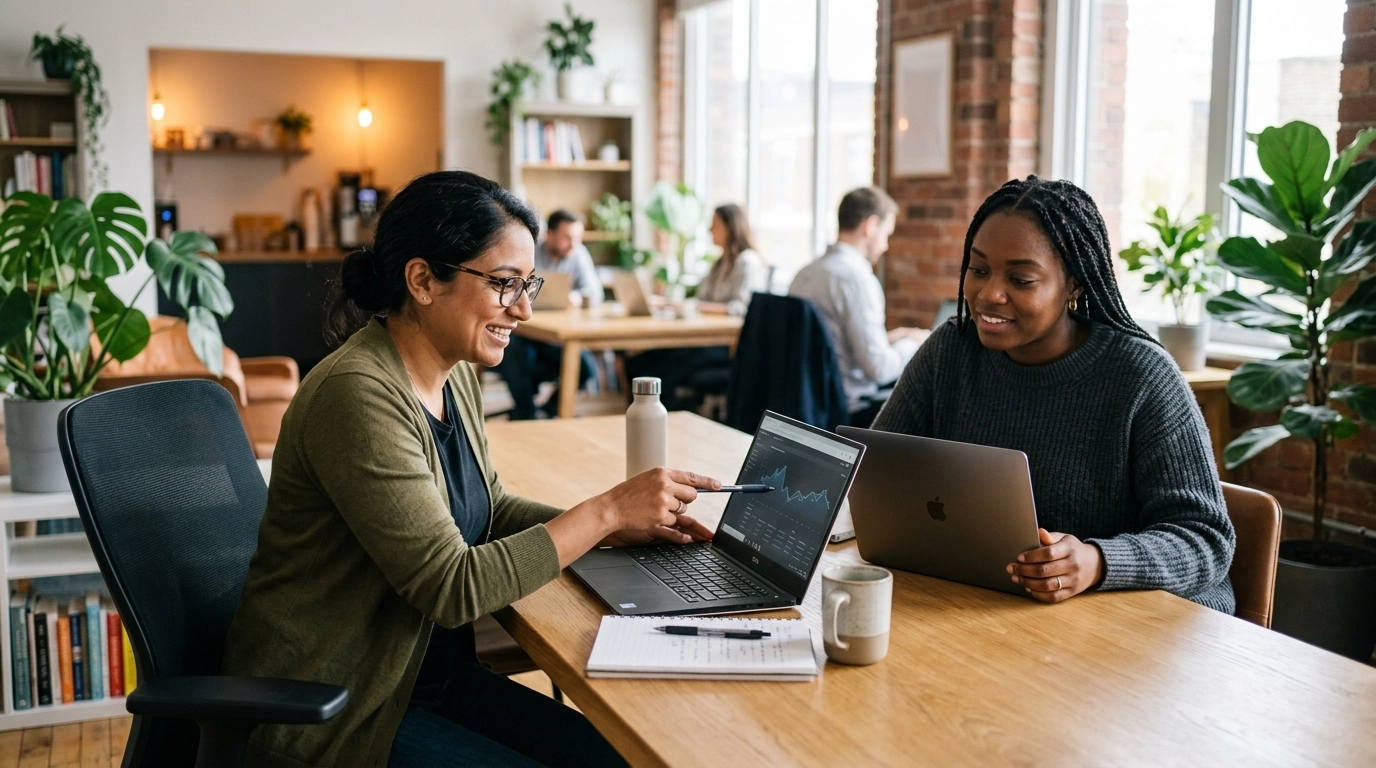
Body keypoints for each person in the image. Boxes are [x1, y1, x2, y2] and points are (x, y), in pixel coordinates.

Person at [221, 171, 722, 768]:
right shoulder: (357, 395)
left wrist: (611, 531)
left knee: (617, 758)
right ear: (423, 280)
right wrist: (604, 512)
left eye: (528, 283)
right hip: (342, 708)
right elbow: (453, 588)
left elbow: (487, 510)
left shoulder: (452, 372)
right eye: (506, 284)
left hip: (421, 679)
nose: (526, 309)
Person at [871, 176, 1235, 612]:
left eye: (1021, 279)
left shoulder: (1140, 375)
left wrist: (1099, 562)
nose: (988, 294)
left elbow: (1206, 538)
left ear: (1076, 286)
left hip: (1140, 625)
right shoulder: (951, 350)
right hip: (995, 604)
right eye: (978, 269)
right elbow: (873, 472)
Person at [789, 187, 930, 427]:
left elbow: (831, 345)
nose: (885, 246)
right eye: (886, 234)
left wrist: (888, 340)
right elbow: (879, 369)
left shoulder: (804, 273)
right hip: (847, 412)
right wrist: (915, 343)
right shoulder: (857, 279)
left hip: (803, 404)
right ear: (870, 226)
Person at [624, 204, 768, 411]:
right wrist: (676, 305)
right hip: (701, 338)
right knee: (640, 363)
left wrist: (697, 306)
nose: (710, 231)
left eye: (715, 226)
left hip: (726, 345)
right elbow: (702, 298)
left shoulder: (747, 262)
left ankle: (663, 424)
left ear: (731, 227)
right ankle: (639, 420)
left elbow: (743, 308)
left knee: (663, 371)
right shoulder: (720, 262)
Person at [494, 209, 601, 419]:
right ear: (550, 234)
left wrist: (577, 297)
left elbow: (595, 292)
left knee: (586, 368)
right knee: (519, 355)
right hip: (523, 332)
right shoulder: (528, 253)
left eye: (578, 237)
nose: (573, 244)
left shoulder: (577, 254)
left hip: (556, 336)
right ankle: (526, 414)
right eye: (568, 237)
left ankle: (552, 410)